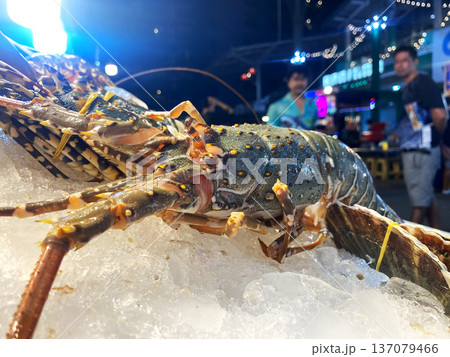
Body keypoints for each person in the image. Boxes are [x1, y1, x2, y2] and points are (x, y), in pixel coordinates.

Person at [393, 45, 447, 228]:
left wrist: (439, 141)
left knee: (419, 204)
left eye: (405, 60)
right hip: (416, 149)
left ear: (415, 62)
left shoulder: (423, 83)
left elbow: (440, 116)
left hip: (422, 151)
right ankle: (438, 242)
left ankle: (408, 249)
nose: (400, 65)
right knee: (426, 198)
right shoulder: (409, 88)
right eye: (397, 62)